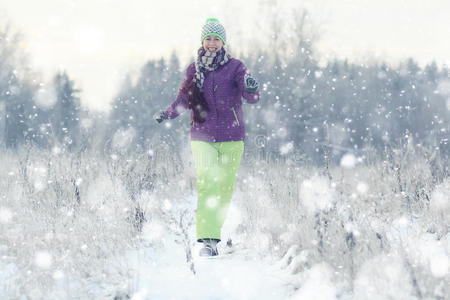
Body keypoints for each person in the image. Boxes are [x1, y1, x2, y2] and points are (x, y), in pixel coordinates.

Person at [154, 18, 260, 257]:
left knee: (224, 187)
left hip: (232, 135)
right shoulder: (194, 70)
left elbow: (251, 97)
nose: (212, 43)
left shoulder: (236, 67)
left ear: (223, 42)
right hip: (202, 133)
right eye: (208, 38)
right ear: (202, 41)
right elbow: (185, 99)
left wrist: (252, 88)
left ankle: (215, 231)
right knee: (207, 181)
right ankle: (208, 241)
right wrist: (168, 113)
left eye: (216, 39)